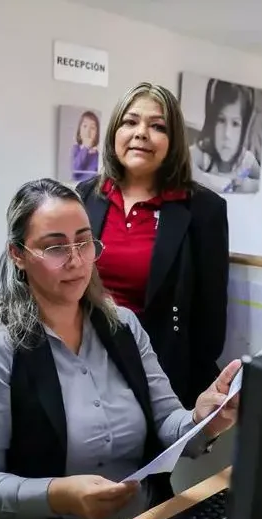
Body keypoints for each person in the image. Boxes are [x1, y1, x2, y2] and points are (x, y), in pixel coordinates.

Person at [0, 178, 242, 519]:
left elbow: (169, 426)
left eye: (84, 243)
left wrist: (204, 419)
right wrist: (58, 495)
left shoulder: (123, 327)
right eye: (54, 247)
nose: (75, 261)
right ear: (18, 255)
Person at [77, 82, 230, 407]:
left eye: (157, 126)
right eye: (130, 122)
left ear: (173, 141)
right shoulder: (86, 195)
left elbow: (210, 318)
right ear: (115, 131)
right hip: (83, 361)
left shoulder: (203, 209)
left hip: (156, 375)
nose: (141, 133)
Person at [189, 79, 261, 194]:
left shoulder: (247, 160)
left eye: (235, 124)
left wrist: (249, 185)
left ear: (244, 128)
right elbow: (182, 165)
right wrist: (208, 182)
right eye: (221, 120)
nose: (227, 134)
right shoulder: (203, 153)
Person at [70, 110, 101, 181]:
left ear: (97, 134)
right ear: (79, 131)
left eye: (92, 128)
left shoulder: (97, 154)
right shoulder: (76, 149)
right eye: (85, 126)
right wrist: (85, 148)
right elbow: (75, 170)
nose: (88, 131)